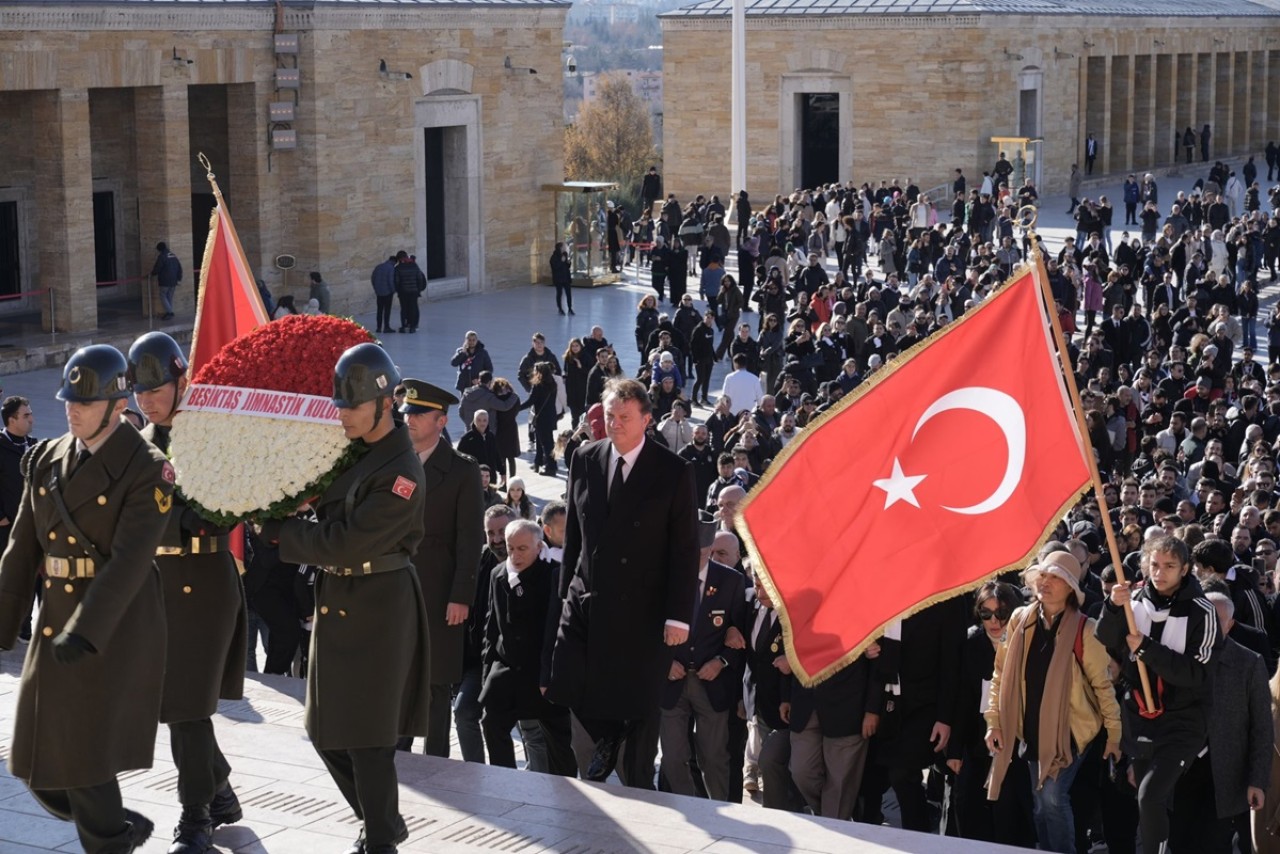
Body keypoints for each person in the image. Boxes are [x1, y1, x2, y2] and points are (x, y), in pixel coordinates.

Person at [0, 344, 175, 853]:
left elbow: (130, 561)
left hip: (112, 626)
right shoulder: (48, 457)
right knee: (32, 762)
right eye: (68, 400)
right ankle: (115, 828)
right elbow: (21, 549)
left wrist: (87, 629)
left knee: (81, 756)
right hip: (56, 620)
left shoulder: (148, 468)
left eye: (86, 401)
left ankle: (109, 840)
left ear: (119, 405)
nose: (71, 410)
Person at [260, 342, 430, 854]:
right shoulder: (354, 451)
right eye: (340, 405)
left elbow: (347, 541)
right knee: (323, 727)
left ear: (384, 404)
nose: (343, 415)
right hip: (339, 597)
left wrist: (278, 535)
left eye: (352, 405)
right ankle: (381, 819)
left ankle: (379, 839)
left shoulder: (402, 471)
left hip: (379, 604)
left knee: (370, 739)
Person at [546, 377, 700, 788]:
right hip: (585, 602)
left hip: (641, 611)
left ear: (647, 420)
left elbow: (684, 550)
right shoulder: (585, 457)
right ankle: (606, 737)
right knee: (568, 683)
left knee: (637, 708)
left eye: (624, 417)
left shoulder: (673, 470)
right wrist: (564, 598)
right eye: (610, 415)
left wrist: (679, 617)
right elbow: (574, 538)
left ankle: (632, 779)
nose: (614, 424)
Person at [128, 332, 247, 853]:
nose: (147, 400)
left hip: (203, 584)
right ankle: (217, 789)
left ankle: (195, 816)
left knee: (187, 709)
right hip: (156, 585)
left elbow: (222, 506)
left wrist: (158, 522)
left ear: (181, 381)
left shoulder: (210, 433)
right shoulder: (141, 441)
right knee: (171, 704)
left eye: (156, 389)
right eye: (139, 392)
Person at [984, 552, 1122, 854]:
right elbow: (1000, 673)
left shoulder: (1086, 629)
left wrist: (1114, 734)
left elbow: (1103, 686)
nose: (1045, 582)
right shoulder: (1020, 619)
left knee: (1052, 799)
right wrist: (993, 720)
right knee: (1040, 803)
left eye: (1055, 577)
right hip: (1030, 727)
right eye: (1043, 576)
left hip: (1070, 732)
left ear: (1071, 587)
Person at [1097, 533, 1219, 854]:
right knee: (1149, 799)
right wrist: (1112, 606)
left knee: (1150, 795)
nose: (1160, 572)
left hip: (1183, 721)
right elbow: (1105, 638)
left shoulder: (1202, 610)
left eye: (1169, 565)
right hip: (1139, 716)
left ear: (1185, 569)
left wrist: (1149, 650)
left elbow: (1197, 673)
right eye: (1154, 564)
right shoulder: (1133, 598)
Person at [396, 379, 483, 759]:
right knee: (397, 675)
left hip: (438, 589)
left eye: (418, 414)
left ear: (442, 422)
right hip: (395, 585)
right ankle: (395, 753)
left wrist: (461, 596)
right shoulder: (394, 460)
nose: (409, 420)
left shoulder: (462, 470)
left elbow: (469, 540)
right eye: (407, 413)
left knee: (434, 684)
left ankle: (435, 761)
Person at [659, 520, 749, 800]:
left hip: (711, 683)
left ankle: (720, 813)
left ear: (709, 550)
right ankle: (688, 809)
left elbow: (744, 635)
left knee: (714, 758)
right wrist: (664, 661)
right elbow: (645, 627)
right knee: (673, 757)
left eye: (698, 552)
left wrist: (721, 661)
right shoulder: (663, 577)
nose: (691, 558)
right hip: (672, 681)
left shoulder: (731, 581)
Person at [479, 519, 577, 774]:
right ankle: (505, 779)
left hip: (543, 671)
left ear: (538, 545)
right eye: (511, 549)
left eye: (522, 549)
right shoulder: (498, 574)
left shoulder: (555, 574)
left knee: (558, 738)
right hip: (507, 668)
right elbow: (492, 626)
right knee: (492, 722)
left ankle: (565, 788)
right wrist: (487, 672)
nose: (515, 555)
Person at [1, 395, 37, 642]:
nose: (31, 418)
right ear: (11, 419)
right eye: (25, 415)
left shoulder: (34, 446)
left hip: (30, 525)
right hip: (4, 527)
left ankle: (24, 626)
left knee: (30, 576)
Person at [394, 250, 426, 333]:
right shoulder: (414, 266)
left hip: (403, 292)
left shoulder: (398, 268)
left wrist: (398, 290)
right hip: (414, 291)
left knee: (403, 309)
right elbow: (419, 278)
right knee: (413, 308)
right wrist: (418, 289)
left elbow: (397, 281)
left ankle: (403, 326)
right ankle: (412, 327)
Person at [151, 240, 183, 320]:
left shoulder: (162, 256)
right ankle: (169, 312)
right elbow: (179, 268)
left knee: (163, 296)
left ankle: (170, 312)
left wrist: (152, 274)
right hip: (174, 281)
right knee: (169, 297)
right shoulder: (173, 255)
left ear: (159, 249)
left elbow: (157, 268)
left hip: (165, 281)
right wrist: (179, 278)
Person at [371, 254, 398, 333]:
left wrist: (376, 288)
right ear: (394, 262)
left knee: (379, 310)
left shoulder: (379, 267)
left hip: (379, 292)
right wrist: (393, 290)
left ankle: (378, 327)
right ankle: (386, 327)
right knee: (387, 310)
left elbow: (373, 278)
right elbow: (390, 280)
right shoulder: (391, 268)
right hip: (388, 293)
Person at [550, 241, 574, 316]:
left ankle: (570, 308)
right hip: (558, 279)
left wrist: (568, 262)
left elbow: (567, 266)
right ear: (560, 248)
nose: (565, 248)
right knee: (559, 294)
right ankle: (560, 308)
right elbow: (555, 267)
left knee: (568, 294)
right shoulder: (553, 257)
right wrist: (561, 261)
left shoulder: (565, 255)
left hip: (566, 278)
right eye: (563, 247)